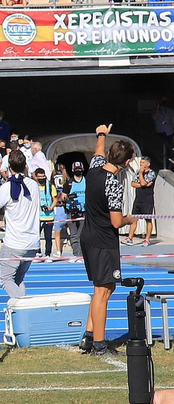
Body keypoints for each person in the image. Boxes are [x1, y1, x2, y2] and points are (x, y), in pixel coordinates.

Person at [82, 125, 131, 355]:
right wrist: (130, 220)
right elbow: (116, 221)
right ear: (127, 162)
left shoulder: (94, 169)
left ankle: (89, 335)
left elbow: (98, 152)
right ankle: (100, 345)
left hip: (89, 236)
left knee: (103, 288)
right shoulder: (113, 184)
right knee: (103, 291)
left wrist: (101, 134)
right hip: (103, 240)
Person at [0, 148, 42, 298]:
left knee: (5, 279)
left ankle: (22, 306)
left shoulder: (7, 187)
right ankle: (22, 308)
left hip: (14, 242)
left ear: (9, 168)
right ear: (25, 166)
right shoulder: (33, 186)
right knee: (18, 279)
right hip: (32, 242)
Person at [131, 156, 158, 246]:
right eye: (140, 162)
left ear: (148, 164)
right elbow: (133, 184)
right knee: (134, 219)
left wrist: (141, 174)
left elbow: (143, 182)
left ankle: (147, 239)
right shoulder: (137, 172)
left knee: (148, 220)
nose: (141, 164)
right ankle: (130, 238)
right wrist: (142, 184)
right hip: (138, 199)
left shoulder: (152, 173)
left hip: (147, 200)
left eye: (143, 163)